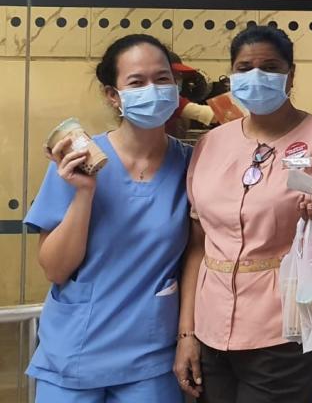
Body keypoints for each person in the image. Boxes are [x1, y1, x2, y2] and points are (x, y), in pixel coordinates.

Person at [174, 25, 312, 403]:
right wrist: (187, 333)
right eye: (244, 67)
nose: (256, 76)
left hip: (289, 326)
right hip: (211, 324)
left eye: (270, 67)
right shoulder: (211, 144)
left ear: (291, 74)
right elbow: (198, 245)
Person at [26, 34, 191, 402]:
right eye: (137, 82)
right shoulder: (75, 161)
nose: (153, 89)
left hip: (151, 355)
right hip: (74, 350)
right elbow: (55, 269)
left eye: (163, 79)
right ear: (112, 95)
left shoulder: (191, 165)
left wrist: (188, 336)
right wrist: (85, 192)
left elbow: (199, 254)